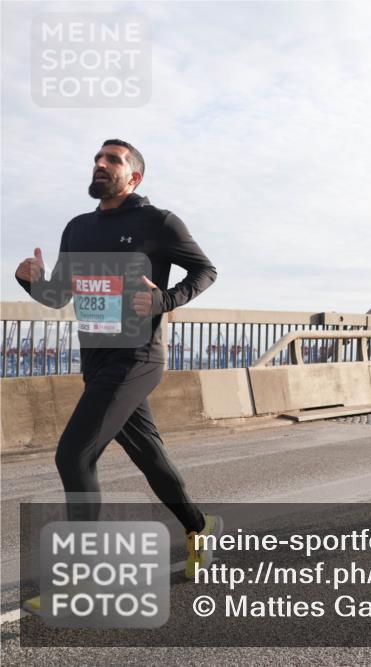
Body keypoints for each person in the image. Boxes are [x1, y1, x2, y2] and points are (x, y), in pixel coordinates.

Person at [15, 140, 223, 615]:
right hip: (97, 362)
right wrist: (30, 279)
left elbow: (205, 270)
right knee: (149, 456)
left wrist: (164, 300)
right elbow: (58, 296)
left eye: (114, 160)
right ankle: (198, 526)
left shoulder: (159, 222)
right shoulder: (78, 227)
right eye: (97, 158)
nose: (101, 165)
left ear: (135, 177)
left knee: (73, 455)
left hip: (137, 358)